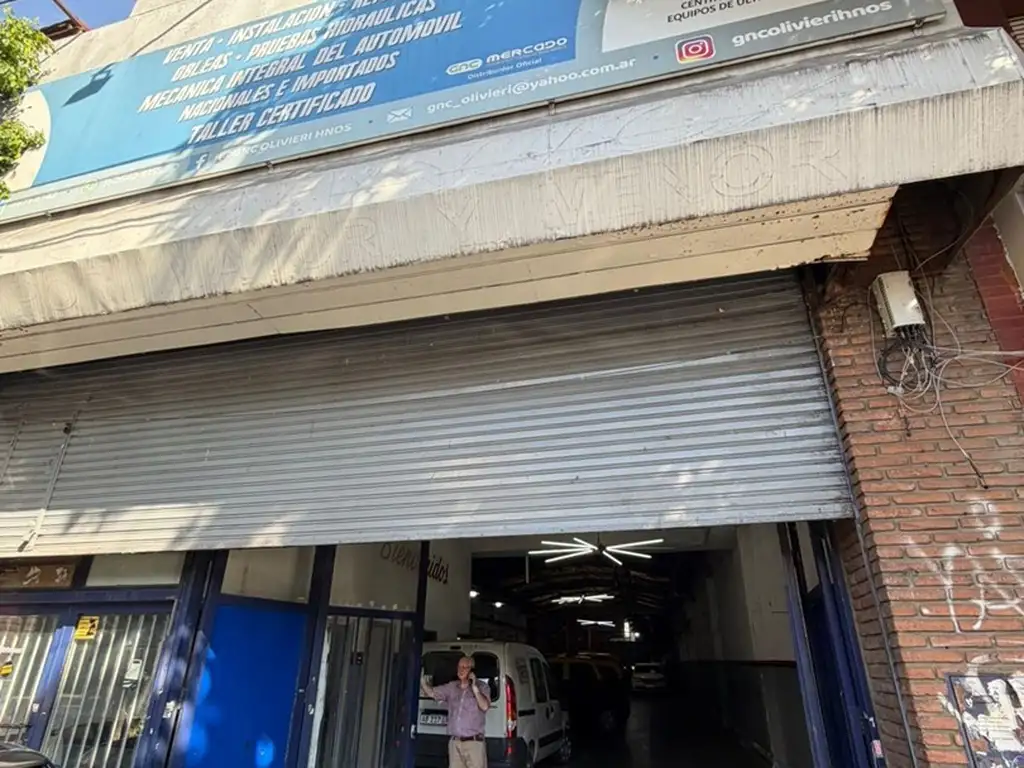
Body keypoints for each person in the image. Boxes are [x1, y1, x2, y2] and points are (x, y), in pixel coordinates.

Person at [421, 655, 490, 768]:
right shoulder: (452, 687)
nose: (461, 670)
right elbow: (432, 693)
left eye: (465, 667)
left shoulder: (482, 687)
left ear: (472, 670)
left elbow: (485, 706)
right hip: (455, 743)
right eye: (459, 667)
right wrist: (422, 681)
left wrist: (475, 688)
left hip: (474, 744)